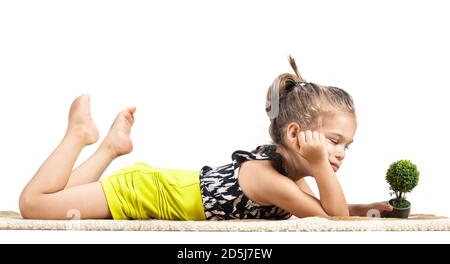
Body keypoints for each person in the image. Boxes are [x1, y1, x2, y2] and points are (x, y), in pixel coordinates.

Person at [19, 56, 394, 220]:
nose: (341, 153)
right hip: (142, 192)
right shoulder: (269, 179)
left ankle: (111, 149)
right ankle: (80, 135)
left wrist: (369, 209)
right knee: (35, 205)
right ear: (296, 134)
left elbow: (333, 210)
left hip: (154, 185)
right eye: (334, 140)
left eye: (346, 145)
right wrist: (320, 167)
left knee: (58, 195)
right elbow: (333, 219)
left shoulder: (289, 178)